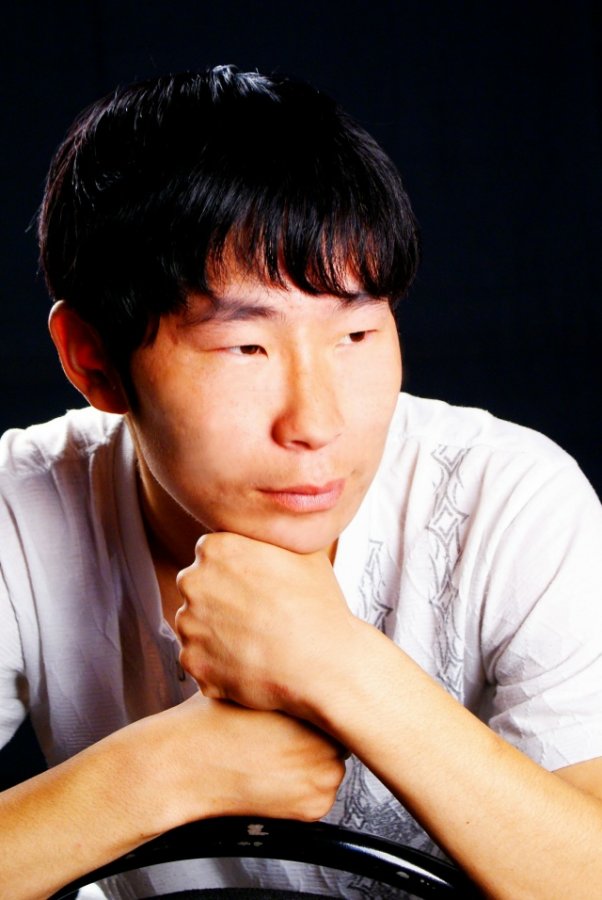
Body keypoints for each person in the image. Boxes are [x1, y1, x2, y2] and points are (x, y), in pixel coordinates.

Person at [0, 64, 601, 900]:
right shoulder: (22, 507)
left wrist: (343, 668)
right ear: (94, 361)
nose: (316, 423)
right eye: (245, 348)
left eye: (356, 334)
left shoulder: (510, 502)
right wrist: (165, 769)